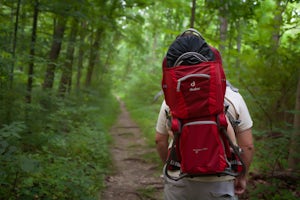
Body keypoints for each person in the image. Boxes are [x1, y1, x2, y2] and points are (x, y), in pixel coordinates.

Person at [155, 30, 254, 200]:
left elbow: (160, 140)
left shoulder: (170, 101)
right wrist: (242, 176)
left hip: (179, 179)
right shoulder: (233, 97)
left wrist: (170, 167)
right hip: (222, 178)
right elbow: (248, 146)